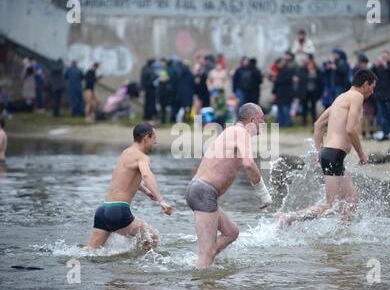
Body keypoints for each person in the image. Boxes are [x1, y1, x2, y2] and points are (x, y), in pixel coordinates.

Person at [276, 69, 378, 227]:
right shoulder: (357, 97)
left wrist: (319, 154)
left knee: (351, 200)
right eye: (373, 86)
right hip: (333, 155)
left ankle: (343, 235)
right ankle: (289, 217)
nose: (373, 91)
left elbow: (318, 125)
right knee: (330, 204)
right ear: (365, 84)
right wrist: (361, 154)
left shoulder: (340, 98)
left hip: (331, 155)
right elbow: (351, 129)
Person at [185, 103, 272, 267]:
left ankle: (200, 262)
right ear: (253, 120)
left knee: (232, 232)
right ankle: (202, 269)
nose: (264, 124)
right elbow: (249, 164)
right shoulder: (240, 133)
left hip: (200, 190)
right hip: (204, 192)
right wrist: (264, 194)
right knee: (207, 251)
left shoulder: (232, 131)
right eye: (262, 119)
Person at [87, 122, 172, 250]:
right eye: (154, 139)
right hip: (118, 211)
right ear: (146, 138)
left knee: (90, 252)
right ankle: (136, 267)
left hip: (102, 211)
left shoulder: (126, 153)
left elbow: (122, 177)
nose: (155, 143)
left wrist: (145, 191)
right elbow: (147, 176)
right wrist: (162, 201)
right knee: (152, 237)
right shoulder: (142, 157)